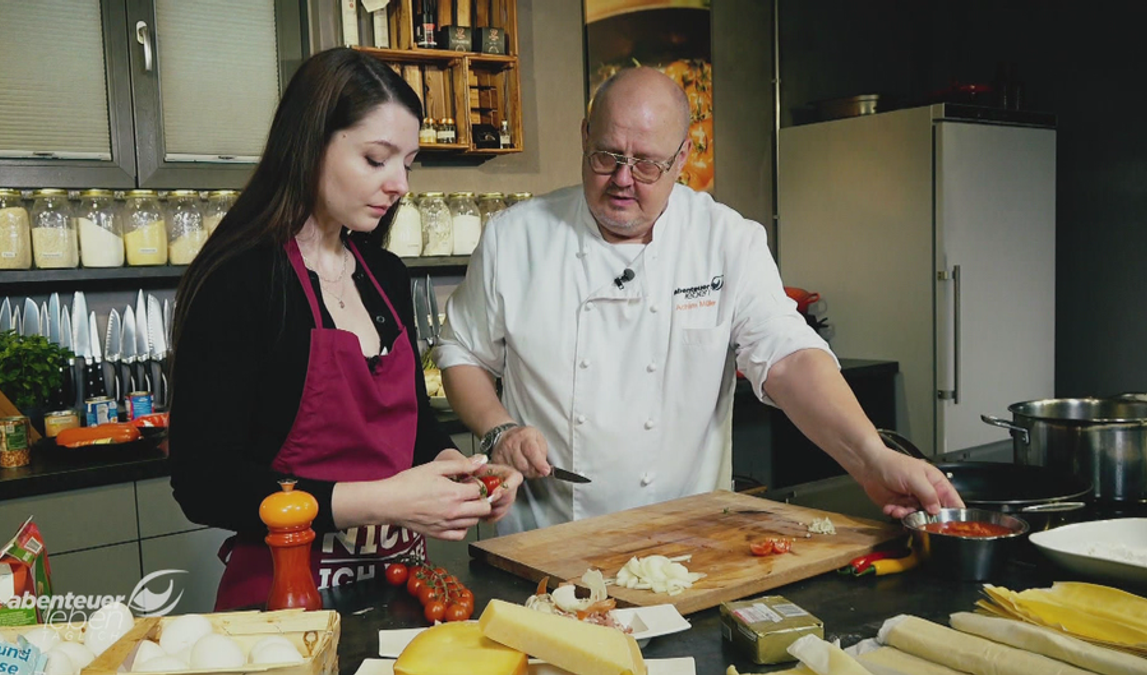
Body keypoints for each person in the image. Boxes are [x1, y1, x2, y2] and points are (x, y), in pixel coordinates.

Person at [433, 67, 962, 534]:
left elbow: (788, 358)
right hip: (544, 538)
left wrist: (871, 458)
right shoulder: (514, 237)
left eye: (646, 165)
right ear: (583, 136)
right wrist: (499, 428)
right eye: (606, 156)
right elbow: (460, 351)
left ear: (683, 157)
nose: (622, 180)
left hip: (688, 541)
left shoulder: (726, 240)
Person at [167, 47, 522, 610]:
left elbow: (410, 426)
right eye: (377, 159)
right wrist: (381, 502)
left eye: (409, 162)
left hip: (404, 588)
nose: (400, 184)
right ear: (310, 144)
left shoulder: (385, 274)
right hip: (285, 601)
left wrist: (455, 472)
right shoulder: (241, 281)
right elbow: (204, 483)